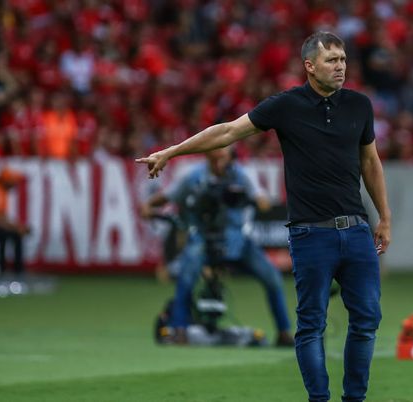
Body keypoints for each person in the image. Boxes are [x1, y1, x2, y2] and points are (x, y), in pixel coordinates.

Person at [137, 31, 392, 402]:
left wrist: (384, 217)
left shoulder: (359, 105)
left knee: (368, 320)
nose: (340, 67)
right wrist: (172, 151)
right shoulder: (285, 106)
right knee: (311, 326)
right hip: (310, 234)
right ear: (309, 66)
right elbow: (226, 132)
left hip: (356, 230)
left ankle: (355, 398)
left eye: (343, 60)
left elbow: (370, 161)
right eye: (331, 60)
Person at [140, 146, 293, 346]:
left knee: (272, 277)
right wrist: (149, 205)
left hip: (237, 239)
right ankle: (179, 330)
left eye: (224, 153)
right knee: (186, 276)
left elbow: (261, 198)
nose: (220, 158)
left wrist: (257, 199)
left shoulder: (241, 175)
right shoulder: (194, 176)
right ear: (208, 154)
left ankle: (284, 332)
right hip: (203, 237)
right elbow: (170, 195)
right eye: (216, 152)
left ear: (231, 156)